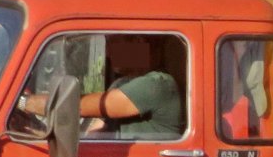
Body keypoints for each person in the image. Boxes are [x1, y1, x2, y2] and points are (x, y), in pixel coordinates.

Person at [19, 35, 183, 139]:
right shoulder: (123, 83)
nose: (107, 53)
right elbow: (97, 129)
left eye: (112, 43)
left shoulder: (157, 84)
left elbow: (76, 106)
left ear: (137, 42)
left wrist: (22, 102)